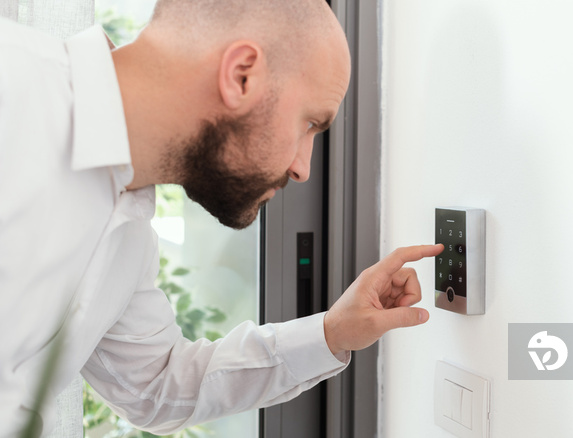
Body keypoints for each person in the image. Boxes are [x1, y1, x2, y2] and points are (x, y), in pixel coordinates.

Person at [0, 0, 443, 435]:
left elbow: (157, 386)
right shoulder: (12, 89)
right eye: (309, 124)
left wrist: (331, 333)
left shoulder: (129, 233)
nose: (303, 168)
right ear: (241, 75)